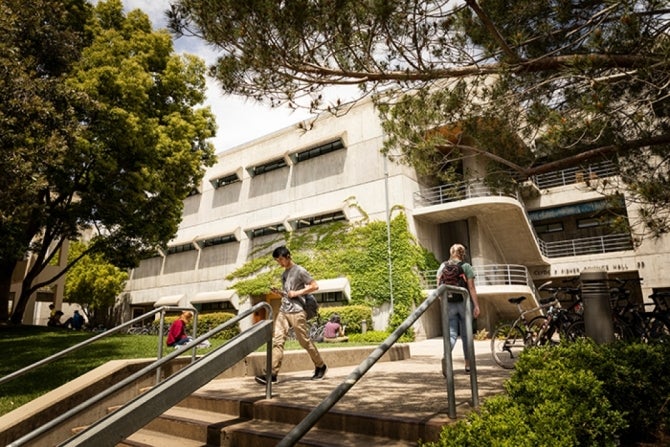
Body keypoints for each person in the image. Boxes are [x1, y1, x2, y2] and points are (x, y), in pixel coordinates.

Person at [255, 246, 327, 384]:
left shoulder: (299, 271)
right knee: (277, 341)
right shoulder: (284, 274)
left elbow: (314, 286)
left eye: (281, 259)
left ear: (288, 256)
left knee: (304, 341)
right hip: (284, 310)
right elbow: (289, 293)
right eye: (277, 261)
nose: (280, 263)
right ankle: (272, 374)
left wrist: (297, 293)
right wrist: (280, 293)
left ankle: (320, 365)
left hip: (297, 311)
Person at [436, 243, 480, 372]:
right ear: (462, 254)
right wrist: (476, 305)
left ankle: (446, 356)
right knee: (466, 335)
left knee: (452, 334)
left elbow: (439, 283)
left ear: (451, 252)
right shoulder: (466, 267)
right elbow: (471, 288)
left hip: (449, 303)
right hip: (464, 302)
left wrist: (442, 299)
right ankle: (468, 364)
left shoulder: (443, 266)